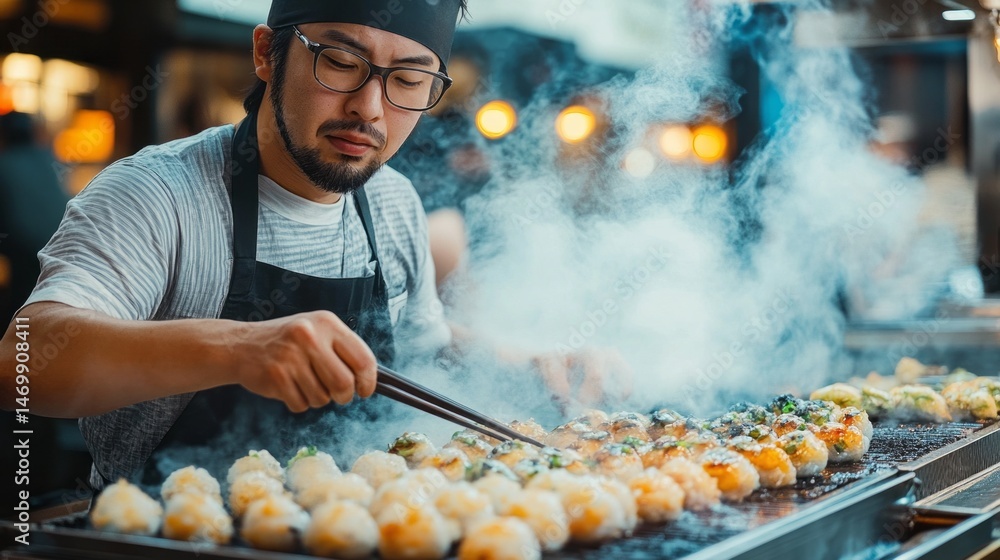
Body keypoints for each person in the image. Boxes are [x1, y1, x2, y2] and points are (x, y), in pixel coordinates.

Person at [0, 0, 630, 491]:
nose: (370, 109)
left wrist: (528, 364)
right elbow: (22, 364)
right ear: (267, 53)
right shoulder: (156, 194)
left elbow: (424, 346)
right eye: (340, 62)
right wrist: (240, 347)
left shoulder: (392, 203)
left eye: (408, 80)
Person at [0, 111, 70, 323]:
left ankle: (17, 340)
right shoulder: (48, 158)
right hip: (61, 240)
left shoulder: (4, 163)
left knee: (19, 300)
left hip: (26, 246)